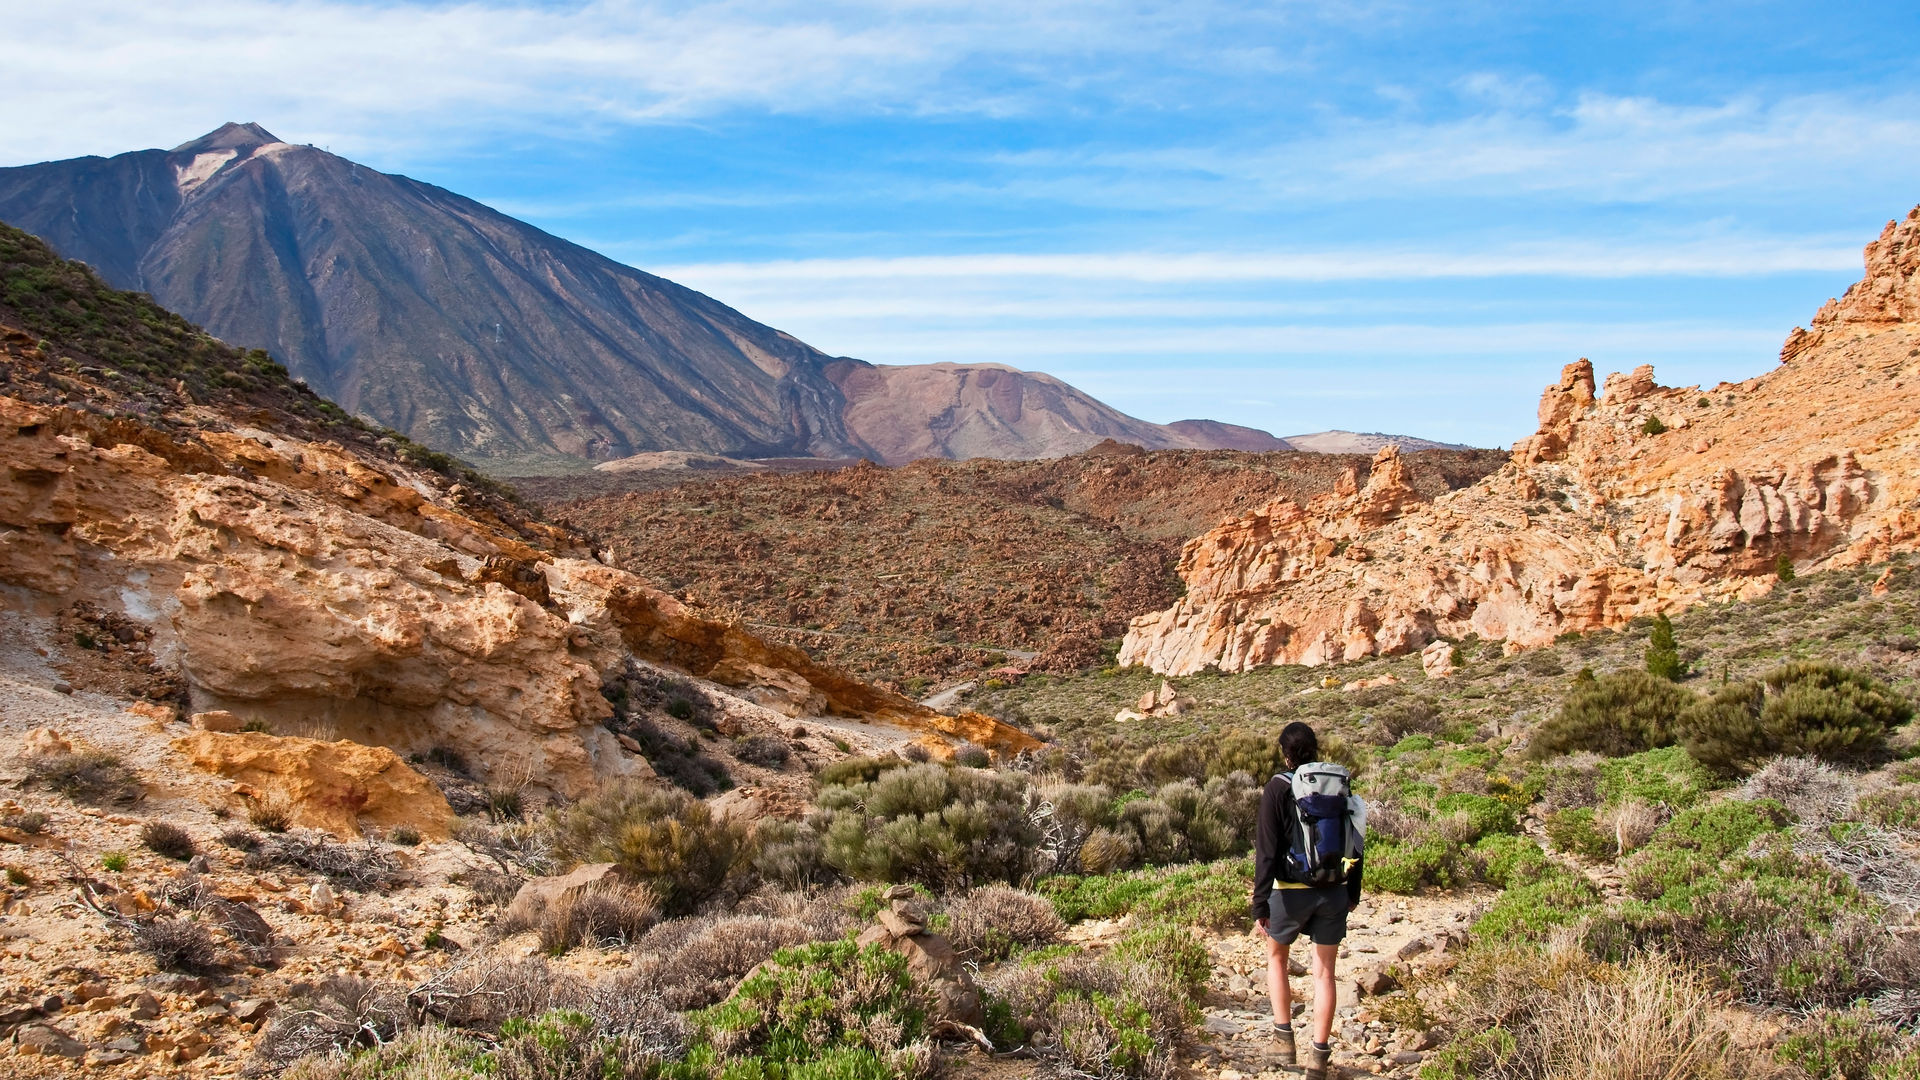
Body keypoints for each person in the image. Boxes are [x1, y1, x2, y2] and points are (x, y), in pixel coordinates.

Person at [1251, 722, 1365, 1080]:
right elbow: (1355, 840)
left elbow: (1266, 851)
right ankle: (1319, 1059)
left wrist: (1259, 902)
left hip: (1288, 892)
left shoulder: (1278, 787)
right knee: (1325, 973)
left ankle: (1284, 1042)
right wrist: (1352, 891)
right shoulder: (1337, 785)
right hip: (1333, 889)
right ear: (1315, 749)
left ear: (1285, 753)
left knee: (1276, 959)